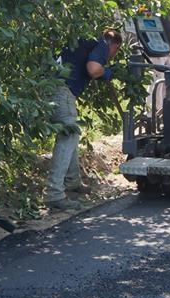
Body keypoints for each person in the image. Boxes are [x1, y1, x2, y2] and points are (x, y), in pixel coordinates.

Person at [48, 29, 122, 211]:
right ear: (114, 44)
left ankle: (72, 181)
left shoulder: (83, 40)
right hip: (62, 92)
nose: (112, 56)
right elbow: (94, 68)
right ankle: (54, 194)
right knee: (69, 135)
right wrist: (107, 73)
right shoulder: (103, 44)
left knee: (70, 132)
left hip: (49, 88)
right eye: (116, 52)